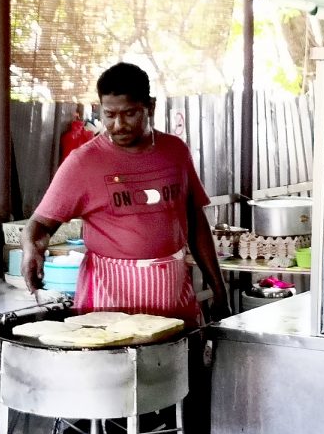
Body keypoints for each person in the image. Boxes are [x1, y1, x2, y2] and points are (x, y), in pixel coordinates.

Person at [21, 62, 230, 324]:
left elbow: (195, 221)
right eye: (109, 115)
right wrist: (33, 251)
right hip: (109, 297)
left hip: (171, 289)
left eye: (130, 113)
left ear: (150, 107)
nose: (118, 124)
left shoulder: (175, 151)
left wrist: (219, 291)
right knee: (117, 363)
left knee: (177, 360)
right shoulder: (84, 162)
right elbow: (40, 224)